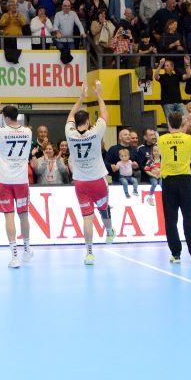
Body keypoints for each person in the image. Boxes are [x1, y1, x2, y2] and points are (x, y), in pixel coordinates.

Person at [64, 81, 114, 264]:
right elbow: (105, 114)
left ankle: (89, 253)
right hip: (98, 181)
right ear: (88, 122)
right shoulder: (96, 132)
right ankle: (109, 231)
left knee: (87, 218)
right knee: (104, 208)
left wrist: (81, 97)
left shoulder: (69, 133)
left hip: (81, 183)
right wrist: (98, 94)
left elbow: (70, 115)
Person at [0, 99, 35, 268]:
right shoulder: (28, 132)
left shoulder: (1, 131)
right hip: (21, 179)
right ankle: (27, 249)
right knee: (23, 215)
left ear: (5, 117)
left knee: (9, 216)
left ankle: (14, 256)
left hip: (4, 179)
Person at [158, 111, 191, 264]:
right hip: (185, 181)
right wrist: (186, 125)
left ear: (168, 123)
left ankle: (176, 254)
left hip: (169, 182)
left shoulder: (161, 139)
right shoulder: (188, 138)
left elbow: (165, 149)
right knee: (188, 217)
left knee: (170, 219)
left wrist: (183, 125)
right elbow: (190, 154)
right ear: (180, 122)